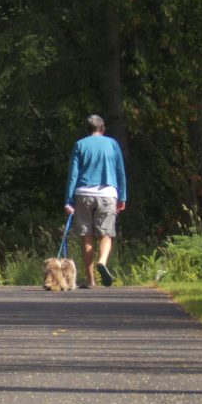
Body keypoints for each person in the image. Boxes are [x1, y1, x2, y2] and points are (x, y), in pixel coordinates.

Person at [64, 114, 127, 288]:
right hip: (108, 193)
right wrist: (122, 197)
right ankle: (102, 262)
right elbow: (120, 171)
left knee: (86, 236)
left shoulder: (80, 144)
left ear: (87, 129)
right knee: (106, 233)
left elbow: (73, 175)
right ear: (103, 128)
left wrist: (69, 201)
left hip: (83, 193)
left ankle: (90, 280)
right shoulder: (113, 144)